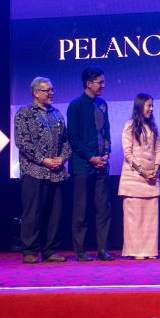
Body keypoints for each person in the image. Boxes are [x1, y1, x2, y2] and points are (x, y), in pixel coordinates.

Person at [14, 77, 70, 264]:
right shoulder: (24, 114)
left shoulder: (57, 114)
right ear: (36, 93)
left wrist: (62, 158)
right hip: (34, 171)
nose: (51, 93)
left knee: (55, 214)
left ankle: (50, 251)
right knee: (33, 213)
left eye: (52, 90)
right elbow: (22, 142)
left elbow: (66, 141)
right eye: (47, 90)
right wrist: (43, 160)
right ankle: (30, 251)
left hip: (56, 172)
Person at [67, 67, 115, 261]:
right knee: (81, 209)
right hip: (82, 165)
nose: (103, 85)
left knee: (103, 208)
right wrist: (90, 157)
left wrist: (107, 153)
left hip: (101, 165)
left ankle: (102, 249)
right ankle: (80, 251)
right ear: (88, 83)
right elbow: (73, 137)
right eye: (100, 82)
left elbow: (106, 130)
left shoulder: (102, 104)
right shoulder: (76, 105)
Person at [117, 93, 160, 260]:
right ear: (140, 106)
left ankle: (149, 251)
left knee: (151, 218)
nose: (151, 108)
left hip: (151, 179)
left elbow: (158, 150)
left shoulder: (153, 126)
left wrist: (156, 168)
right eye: (148, 105)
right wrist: (143, 171)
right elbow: (128, 154)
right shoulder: (129, 125)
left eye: (152, 105)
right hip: (134, 178)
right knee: (134, 218)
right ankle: (136, 251)